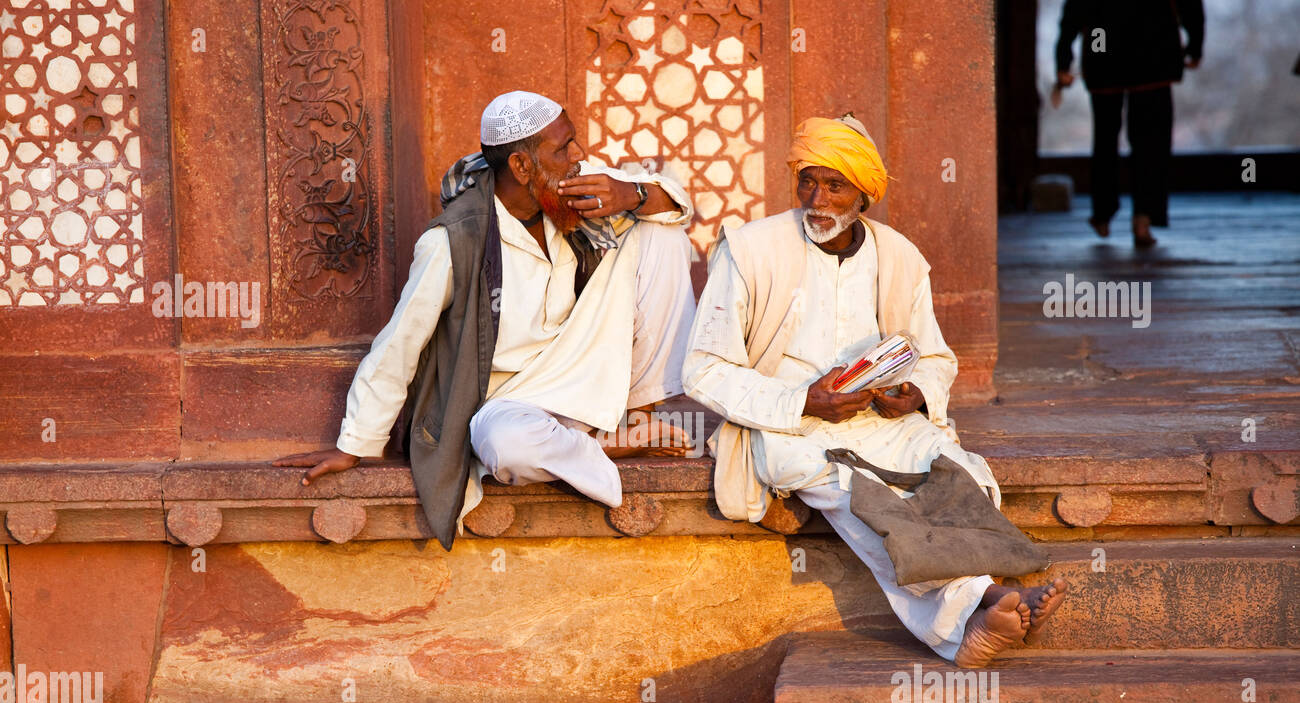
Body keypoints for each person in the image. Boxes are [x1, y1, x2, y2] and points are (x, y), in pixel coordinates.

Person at [683, 115, 1069, 668]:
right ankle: (980, 610)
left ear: (865, 194)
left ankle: (984, 609)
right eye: (807, 181)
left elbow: (935, 356)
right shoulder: (749, 250)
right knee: (870, 503)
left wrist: (915, 393)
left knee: (959, 475)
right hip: (790, 424)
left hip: (884, 422)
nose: (817, 198)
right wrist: (802, 401)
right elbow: (702, 368)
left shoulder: (900, 257)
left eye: (835, 185)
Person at [275, 91, 697, 549]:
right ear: (521, 167)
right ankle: (604, 445)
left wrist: (631, 194)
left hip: (582, 365)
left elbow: (676, 204)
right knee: (506, 446)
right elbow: (400, 343)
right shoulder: (451, 242)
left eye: (573, 143)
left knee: (661, 230)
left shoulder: (569, 191)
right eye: (563, 149)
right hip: (509, 399)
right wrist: (354, 444)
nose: (577, 159)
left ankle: (638, 412)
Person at [1055, 0, 1205, 247]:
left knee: (1106, 139)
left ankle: (1103, 214)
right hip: (1153, 52)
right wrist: (1195, 44)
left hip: (1104, 53)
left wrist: (1063, 58)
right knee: (1151, 143)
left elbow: (1074, 9)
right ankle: (1143, 218)